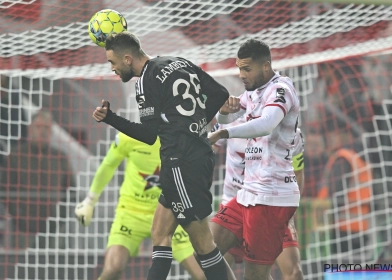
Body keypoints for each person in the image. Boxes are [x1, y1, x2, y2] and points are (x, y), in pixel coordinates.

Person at [92, 31, 235, 280]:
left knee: (203, 244)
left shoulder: (145, 81)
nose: (112, 69)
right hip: (187, 159)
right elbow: (219, 93)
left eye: (112, 62)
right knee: (160, 233)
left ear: (127, 59)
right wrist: (196, 126)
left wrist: (111, 118)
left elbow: (148, 135)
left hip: (181, 163)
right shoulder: (177, 61)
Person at [207, 38, 300, 280]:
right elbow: (226, 118)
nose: (241, 75)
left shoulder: (281, 89)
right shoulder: (253, 93)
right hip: (247, 195)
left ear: (266, 66)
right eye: (239, 68)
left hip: (271, 197)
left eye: (247, 69)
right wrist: (223, 114)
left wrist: (225, 131)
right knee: (206, 249)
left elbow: (267, 124)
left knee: (257, 276)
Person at [74, 132, 206, 280]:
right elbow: (108, 165)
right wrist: (90, 201)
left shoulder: (182, 137)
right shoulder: (128, 137)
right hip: (131, 214)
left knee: (202, 275)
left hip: (170, 216)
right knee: (113, 268)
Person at [213, 118, 305, 280]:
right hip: (233, 207)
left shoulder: (292, 134)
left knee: (293, 272)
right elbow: (208, 146)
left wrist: (290, 214)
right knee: (209, 260)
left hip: (270, 207)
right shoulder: (232, 124)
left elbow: (297, 173)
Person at [0, 109, 75, 249]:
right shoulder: (16, 156)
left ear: (52, 131)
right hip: (22, 228)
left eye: (47, 127)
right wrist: (19, 216)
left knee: (51, 266)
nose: (43, 131)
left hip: (53, 227)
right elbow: (5, 189)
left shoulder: (60, 157)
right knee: (21, 265)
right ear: (30, 129)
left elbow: (71, 190)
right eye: (39, 127)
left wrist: (61, 216)